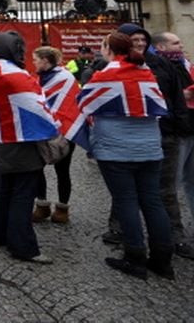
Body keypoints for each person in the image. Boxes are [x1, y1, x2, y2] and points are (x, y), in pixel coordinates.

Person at [78, 31, 174, 280]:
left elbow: (84, 103)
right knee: (153, 201)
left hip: (116, 149)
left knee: (126, 201)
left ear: (109, 49)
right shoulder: (145, 73)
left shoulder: (105, 75)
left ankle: (135, 257)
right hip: (150, 148)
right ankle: (163, 260)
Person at [114, 24, 193, 259]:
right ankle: (121, 230)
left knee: (165, 190)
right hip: (133, 134)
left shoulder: (163, 64)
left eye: (142, 39)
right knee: (127, 189)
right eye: (133, 40)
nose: (139, 43)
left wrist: (180, 128)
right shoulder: (112, 67)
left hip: (165, 133)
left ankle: (172, 236)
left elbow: (177, 99)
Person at [0, 31, 56, 264]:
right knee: (23, 195)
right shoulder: (16, 76)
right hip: (22, 140)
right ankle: (23, 246)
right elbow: (39, 108)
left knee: (2, 190)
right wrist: (56, 125)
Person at [152, 32, 194, 242]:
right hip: (177, 132)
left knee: (192, 181)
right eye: (176, 43)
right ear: (160, 47)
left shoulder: (185, 64)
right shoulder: (159, 68)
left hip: (190, 127)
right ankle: (170, 230)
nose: (181, 45)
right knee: (171, 185)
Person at [32, 46, 79, 224]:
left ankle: (62, 208)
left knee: (63, 171)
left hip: (64, 131)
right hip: (42, 130)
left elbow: (71, 103)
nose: (33, 63)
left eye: (36, 59)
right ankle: (42, 205)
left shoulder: (65, 77)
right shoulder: (39, 79)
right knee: (37, 168)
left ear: (45, 60)